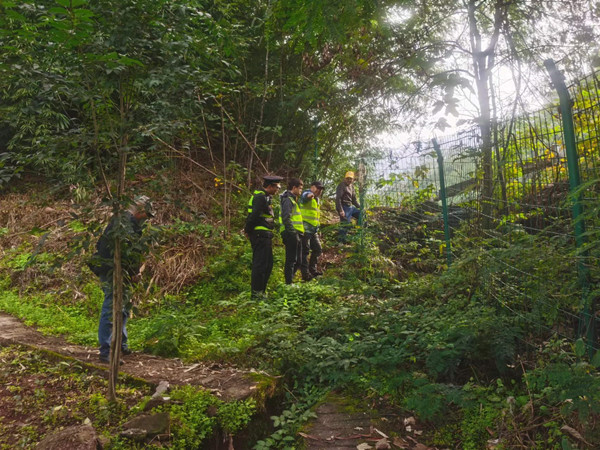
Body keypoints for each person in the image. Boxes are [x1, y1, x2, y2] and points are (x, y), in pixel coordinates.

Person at [90, 195, 154, 364]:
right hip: (112, 270)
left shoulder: (123, 222)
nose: (147, 218)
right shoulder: (125, 224)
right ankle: (107, 350)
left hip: (116, 270)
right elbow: (128, 251)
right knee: (112, 307)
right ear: (140, 211)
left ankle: (120, 344)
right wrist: (133, 271)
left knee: (123, 306)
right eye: (147, 214)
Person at [245, 175, 283, 298]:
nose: (278, 189)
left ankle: (261, 291)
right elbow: (253, 216)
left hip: (266, 236)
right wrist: (248, 230)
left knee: (268, 265)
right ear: (270, 186)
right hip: (259, 235)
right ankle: (256, 294)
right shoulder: (260, 197)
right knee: (260, 265)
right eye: (277, 187)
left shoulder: (266, 198)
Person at [279, 178, 305, 284]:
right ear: (294, 188)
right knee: (291, 260)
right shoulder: (287, 200)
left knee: (298, 261)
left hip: (296, 233)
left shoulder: (293, 200)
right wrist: (293, 233)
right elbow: (286, 218)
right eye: (300, 188)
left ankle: (290, 281)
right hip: (290, 233)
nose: (301, 191)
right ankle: (288, 284)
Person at [299, 181, 324, 279]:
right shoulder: (306, 193)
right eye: (318, 188)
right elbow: (305, 197)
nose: (320, 190)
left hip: (313, 230)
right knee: (305, 251)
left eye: (321, 189)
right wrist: (310, 194)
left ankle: (312, 270)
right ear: (312, 187)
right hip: (305, 228)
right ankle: (305, 275)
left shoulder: (317, 199)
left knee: (318, 249)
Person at [335, 171, 361, 243]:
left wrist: (360, 207)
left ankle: (358, 234)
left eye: (351, 179)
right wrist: (341, 210)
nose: (349, 180)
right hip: (344, 207)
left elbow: (354, 200)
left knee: (361, 215)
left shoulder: (352, 187)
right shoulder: (341, 185)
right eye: (348, 178)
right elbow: (338, 198)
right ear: (345, 178)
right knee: (345, 223)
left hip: (351, 207)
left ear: (353, 180)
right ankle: (341, 241)